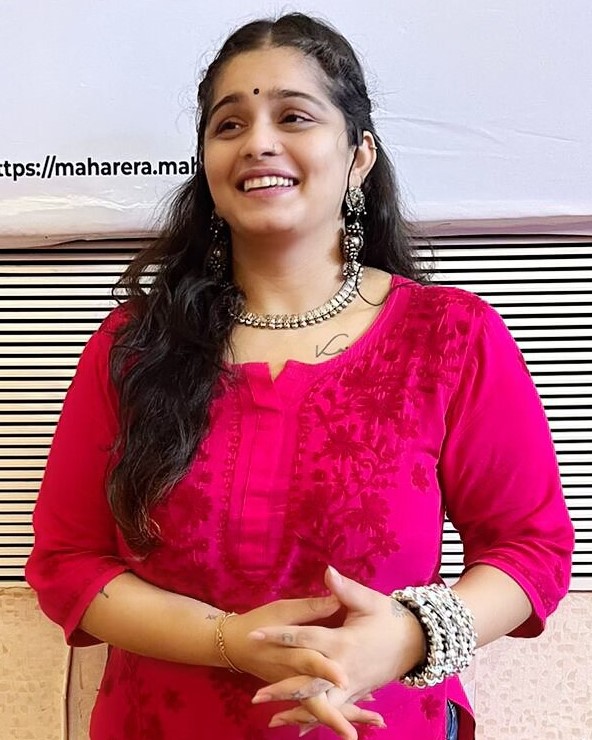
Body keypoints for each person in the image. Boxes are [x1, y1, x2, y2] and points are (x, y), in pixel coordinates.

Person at [26, 12, 574, 740]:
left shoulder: (449, 337)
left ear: (358, 156)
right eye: (229, 125)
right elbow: (68, 562)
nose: (258, 142)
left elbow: (531, 549)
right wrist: (228, 640)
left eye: (293, 116)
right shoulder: (135, 346)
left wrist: (408, 635)